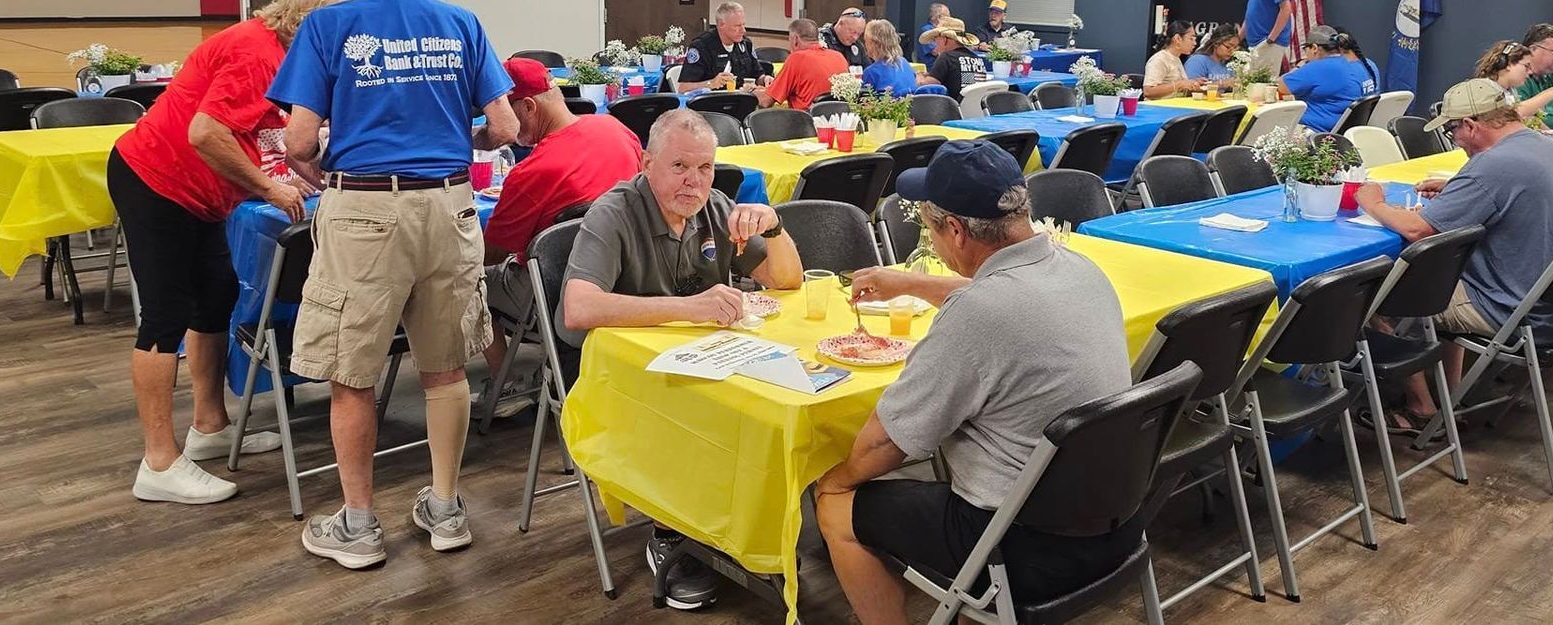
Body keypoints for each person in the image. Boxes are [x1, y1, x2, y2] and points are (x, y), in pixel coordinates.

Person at [270, 0, 519, 568]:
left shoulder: (330, 25)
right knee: (444, 368)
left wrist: (318, 173)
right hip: (451, 205)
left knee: (353, 372)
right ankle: (444, 507)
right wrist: (468, 146)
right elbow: (506, 125)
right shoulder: (461, 22)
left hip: (366, 206)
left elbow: (296, 142)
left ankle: (356, 526)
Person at [818, 140, 1134, 625]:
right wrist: (911, 284)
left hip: (1024, 545)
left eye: (929, 229)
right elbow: (999, 294)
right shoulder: (1081, 269)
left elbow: (886, 443)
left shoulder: (978, 314)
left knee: (837, 504)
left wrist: (832, 480)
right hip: (1118, 519)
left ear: (956, 231)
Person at [109, 0, 348, 504]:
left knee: (214, 299)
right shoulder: (254, 53)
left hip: (201, 196)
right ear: (312, 25)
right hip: (157, 182)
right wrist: (269, 187)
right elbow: (205, 133)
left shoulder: (281, 52)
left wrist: (321, 183)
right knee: (165, 317)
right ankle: (158, 462)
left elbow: (278, 139)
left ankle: (210, 426)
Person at [561, 109, 804, 609]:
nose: (694, 182)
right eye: (679, 167)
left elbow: (787, 281)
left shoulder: (715, 206)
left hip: (706, 360)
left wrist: (775, 227)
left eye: (706, 168)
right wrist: (689, 308)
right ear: (647, 163)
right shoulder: (615, 212)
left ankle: (745, 521)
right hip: (630, 379)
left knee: (770, 396)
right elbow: (578, 307)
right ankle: (672, 531)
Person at [1353, 79, 1553, 431]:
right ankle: (1453, 394)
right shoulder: (1549, 149)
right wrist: (1458, 190)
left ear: (1470, 125)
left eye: (1452, 132)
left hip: (1516, 313)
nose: (1456, 141)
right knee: (1448, 277)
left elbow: (1418, 230)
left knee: (1373, 294)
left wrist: (1371, 202)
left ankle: (1421, 409)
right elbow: (1511, 195)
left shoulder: (1492, 166)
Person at [476, 57, 642, 414]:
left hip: (554, 292)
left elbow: (493, 253)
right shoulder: (616, 130)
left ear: (528, 107)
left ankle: (506, 389)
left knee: (467, 280)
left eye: (501, 113)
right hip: (627, 279)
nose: (498, 124)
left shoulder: (534, 170)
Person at [1281, 25, 1379, 132]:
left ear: (1314, 48)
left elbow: (1282, 87)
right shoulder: (1356, 65)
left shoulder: (1318, 68)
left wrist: (1301, 65)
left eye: (1305, 49)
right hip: (1344, 132)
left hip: (1315, 132)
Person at [755, 18, 849, 112]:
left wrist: (748, 92)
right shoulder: (839, 57)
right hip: (839, 120)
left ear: (795, 39)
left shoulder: (797, 59)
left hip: (805, 122)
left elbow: (766, 101)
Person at [678, 1, 768, 93]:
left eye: (743, 25)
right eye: (737, 26)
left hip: (741, 101)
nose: (743, 30)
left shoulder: (746, 44)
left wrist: (765, 80)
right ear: (721, 24)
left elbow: (758, 77)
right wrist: (711, 83)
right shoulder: (701, 46)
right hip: (711, 102)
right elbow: (683, 88)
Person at [1473, 40, 1553, 121]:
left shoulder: (1511, 91)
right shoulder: (1485, 91)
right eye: (1526, 66)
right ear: (1509, 64)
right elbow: (1511, 115)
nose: (1530, 71)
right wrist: (1550, 94)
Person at [919, 18, 988, 103]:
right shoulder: (978, 59)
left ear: (945, 39)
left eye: (936, 39)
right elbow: (963, 79)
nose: (935, 43)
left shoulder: (946, 57)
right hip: (976, 112)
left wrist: (919, 78)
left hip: (952, 112)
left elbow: (927, 87)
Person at [1143, 20, 1206, 99]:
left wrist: (1193, 83)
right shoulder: (1159, 59)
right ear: (1177, 39)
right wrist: (1180, 84)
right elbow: (1148, 92)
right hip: (1159, 109)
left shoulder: (1176, 58)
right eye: (1191, 38)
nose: (1195, 43)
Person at [860, 19, 918, 97]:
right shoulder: (905, 64)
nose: (865, 44)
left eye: (865, 40)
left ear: (873, 43)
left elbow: (864, 104)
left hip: (887, 108)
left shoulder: (871, 72)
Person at [1184, 23, 1242, 88]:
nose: (1232, 51)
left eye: (1235, 48)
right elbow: (1191, 89)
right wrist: (1222, 83)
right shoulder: (1197, 61)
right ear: (1216, 43)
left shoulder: (1231, 64)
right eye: (1228, 47)